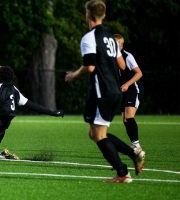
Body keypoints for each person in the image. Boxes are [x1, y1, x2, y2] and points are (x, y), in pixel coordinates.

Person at [65, 0, 144, 183]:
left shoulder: (89, 38)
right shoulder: (111, 37)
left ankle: (123, 173)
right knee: (94, 133)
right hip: (112, 90)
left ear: (88, 15)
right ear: (104, 15)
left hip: (104, 92)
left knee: (99, 135)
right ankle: (133, 154)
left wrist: (73, 76)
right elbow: (122, 65)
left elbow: (90, 67)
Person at [114, 34, 145, 157]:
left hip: (133, 88)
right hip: (123, 90)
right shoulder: (112, 57)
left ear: (122, 45)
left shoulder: (127, 56)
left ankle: (137, 147)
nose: (117, 45)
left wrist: (127, 84)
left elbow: (139, 73)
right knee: (125, 119)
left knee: (129, 116)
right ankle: (135, 145)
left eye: (118, 44)